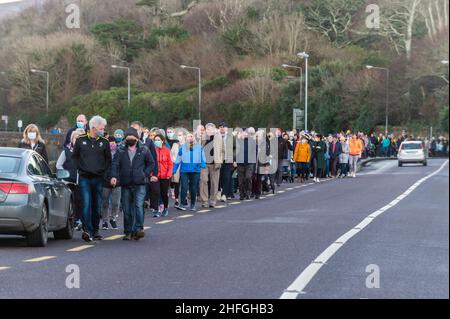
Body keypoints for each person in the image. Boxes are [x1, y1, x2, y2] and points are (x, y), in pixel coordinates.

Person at [111, 127, 155, 241]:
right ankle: (128, 231)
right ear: (125, 139)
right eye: (128, 137)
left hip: (140, 183)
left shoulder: (144, 149)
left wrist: (144, 174)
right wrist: (114, 176)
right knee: (126, 209)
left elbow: (151, 163)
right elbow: (115, 164)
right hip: (125, 183)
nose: (130, 139)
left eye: (132, 137)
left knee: (138, 206)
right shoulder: (120, 150)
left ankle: (138, 229)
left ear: (136, 138)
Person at [72, 115, 111, 242]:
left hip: (98, 178)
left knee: (97, 204)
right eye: (102, 127)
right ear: (94, 127)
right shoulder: (80, 140)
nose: (103, 129)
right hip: (84, 178)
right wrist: (80, 168)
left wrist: (104, 173)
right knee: (86, 204)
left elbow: (108, 160)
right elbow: (75, 157)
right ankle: (86, 230)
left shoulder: (104, 142)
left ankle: (95, 230)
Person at [56, 128, 85, 230]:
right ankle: (69, 221)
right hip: (68, 181)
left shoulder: (86, 152)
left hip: (81, 181)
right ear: (72, 139)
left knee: (80, 201)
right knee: (69, 202)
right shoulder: (66, 151)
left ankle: (79, 220)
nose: (77, 140)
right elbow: (58, 165)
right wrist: (65, 174)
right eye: (75, 138)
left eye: (80, 138)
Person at [173, 132, 206, 211]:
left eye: (191, 136)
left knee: (193, 188)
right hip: (184, 170)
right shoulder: (182, 147)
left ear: (194, 138)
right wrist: (174, 169)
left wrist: (203, 163)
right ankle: (182, 204)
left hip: (195, 170)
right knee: (184, 187)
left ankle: (193, 204)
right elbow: (178, 159)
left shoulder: (198, 147)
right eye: (188, 136)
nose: (190, 138)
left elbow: (202, 157)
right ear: (186, 138)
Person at [200, 123, 224, 208]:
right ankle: (205, 200)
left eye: (211, 129)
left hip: (215, 163)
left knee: (214, 182)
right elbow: (199, 147)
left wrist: (220, 160)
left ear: (214, 129)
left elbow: (223, 149)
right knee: (204, 181)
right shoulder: (203, 137)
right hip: (204, 163)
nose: (209, 131)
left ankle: (213, 200)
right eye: (208, 129)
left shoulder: (219, 137)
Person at [101, 135, 122, 230]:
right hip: (105, 181)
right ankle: (104, 221)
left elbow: (121, 167)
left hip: (117, 182)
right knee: (105, 202)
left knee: (116, 202)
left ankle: (113, 218)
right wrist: (106, 178)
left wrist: (117, 178)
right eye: (109, 143)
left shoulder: (119, 153)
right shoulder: (102, 154)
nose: (111, 144)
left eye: (113, 142)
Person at [150, 134, 174, 217]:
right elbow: (151, 163)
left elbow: (170, 163)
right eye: (155, 140)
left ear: (162, 141)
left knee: (164, 193)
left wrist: (169, 174)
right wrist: (151, 174)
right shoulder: (153, 151)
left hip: (165, 176)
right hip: (156, 176)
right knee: (156, 192)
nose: (156, 141)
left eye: (158, 140)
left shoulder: (167, 150)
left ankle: (165, 208)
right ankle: (158, 209)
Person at [236, 128, 256, 200]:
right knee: (241, 180)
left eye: (246, 133)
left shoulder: (252, 141)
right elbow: (234, 151)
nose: (245, 134)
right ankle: (242, 194)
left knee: (248, 177)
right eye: (243, 133)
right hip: (240, 163)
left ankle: (248, 192)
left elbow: (254, 152)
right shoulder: (238, 141)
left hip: (249, 163)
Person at [218, 122, 234, 202]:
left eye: (223, 127)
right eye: (220, 127)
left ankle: (224, 194)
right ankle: (221, 192)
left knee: (227, 177)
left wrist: (234, 159)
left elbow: (235, 148)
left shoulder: (231, 137)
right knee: (220, 177)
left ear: (226, 128)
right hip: (218, 160)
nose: (222, 128)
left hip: (228, 160)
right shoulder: (216, 137)